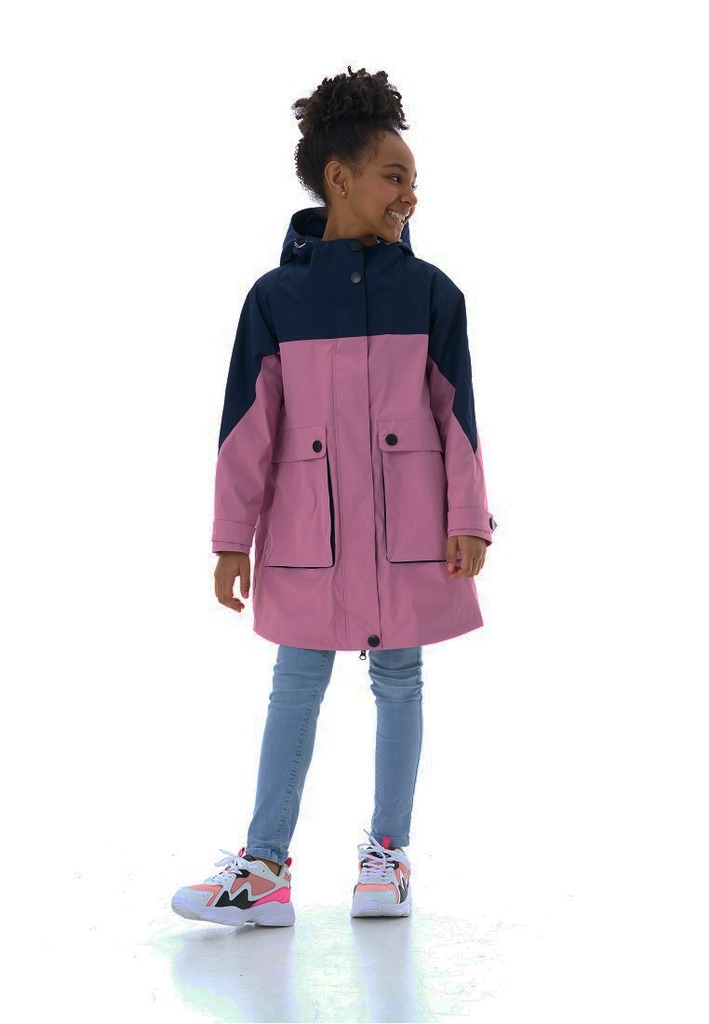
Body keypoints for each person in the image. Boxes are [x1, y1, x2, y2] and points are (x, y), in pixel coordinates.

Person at [171, 66, 498, 929]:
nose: (408, 194)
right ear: (338, 177)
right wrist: (229, 538)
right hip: (306, 535)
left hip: (408, 530)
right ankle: (263, 868)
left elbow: (457, 417)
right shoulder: (275, 299)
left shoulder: (432, 295)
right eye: (393, 175)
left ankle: (386, 857)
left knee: (400, 677)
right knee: (295, 681)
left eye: (413, 180)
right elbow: (247, 428)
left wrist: (468, 516)